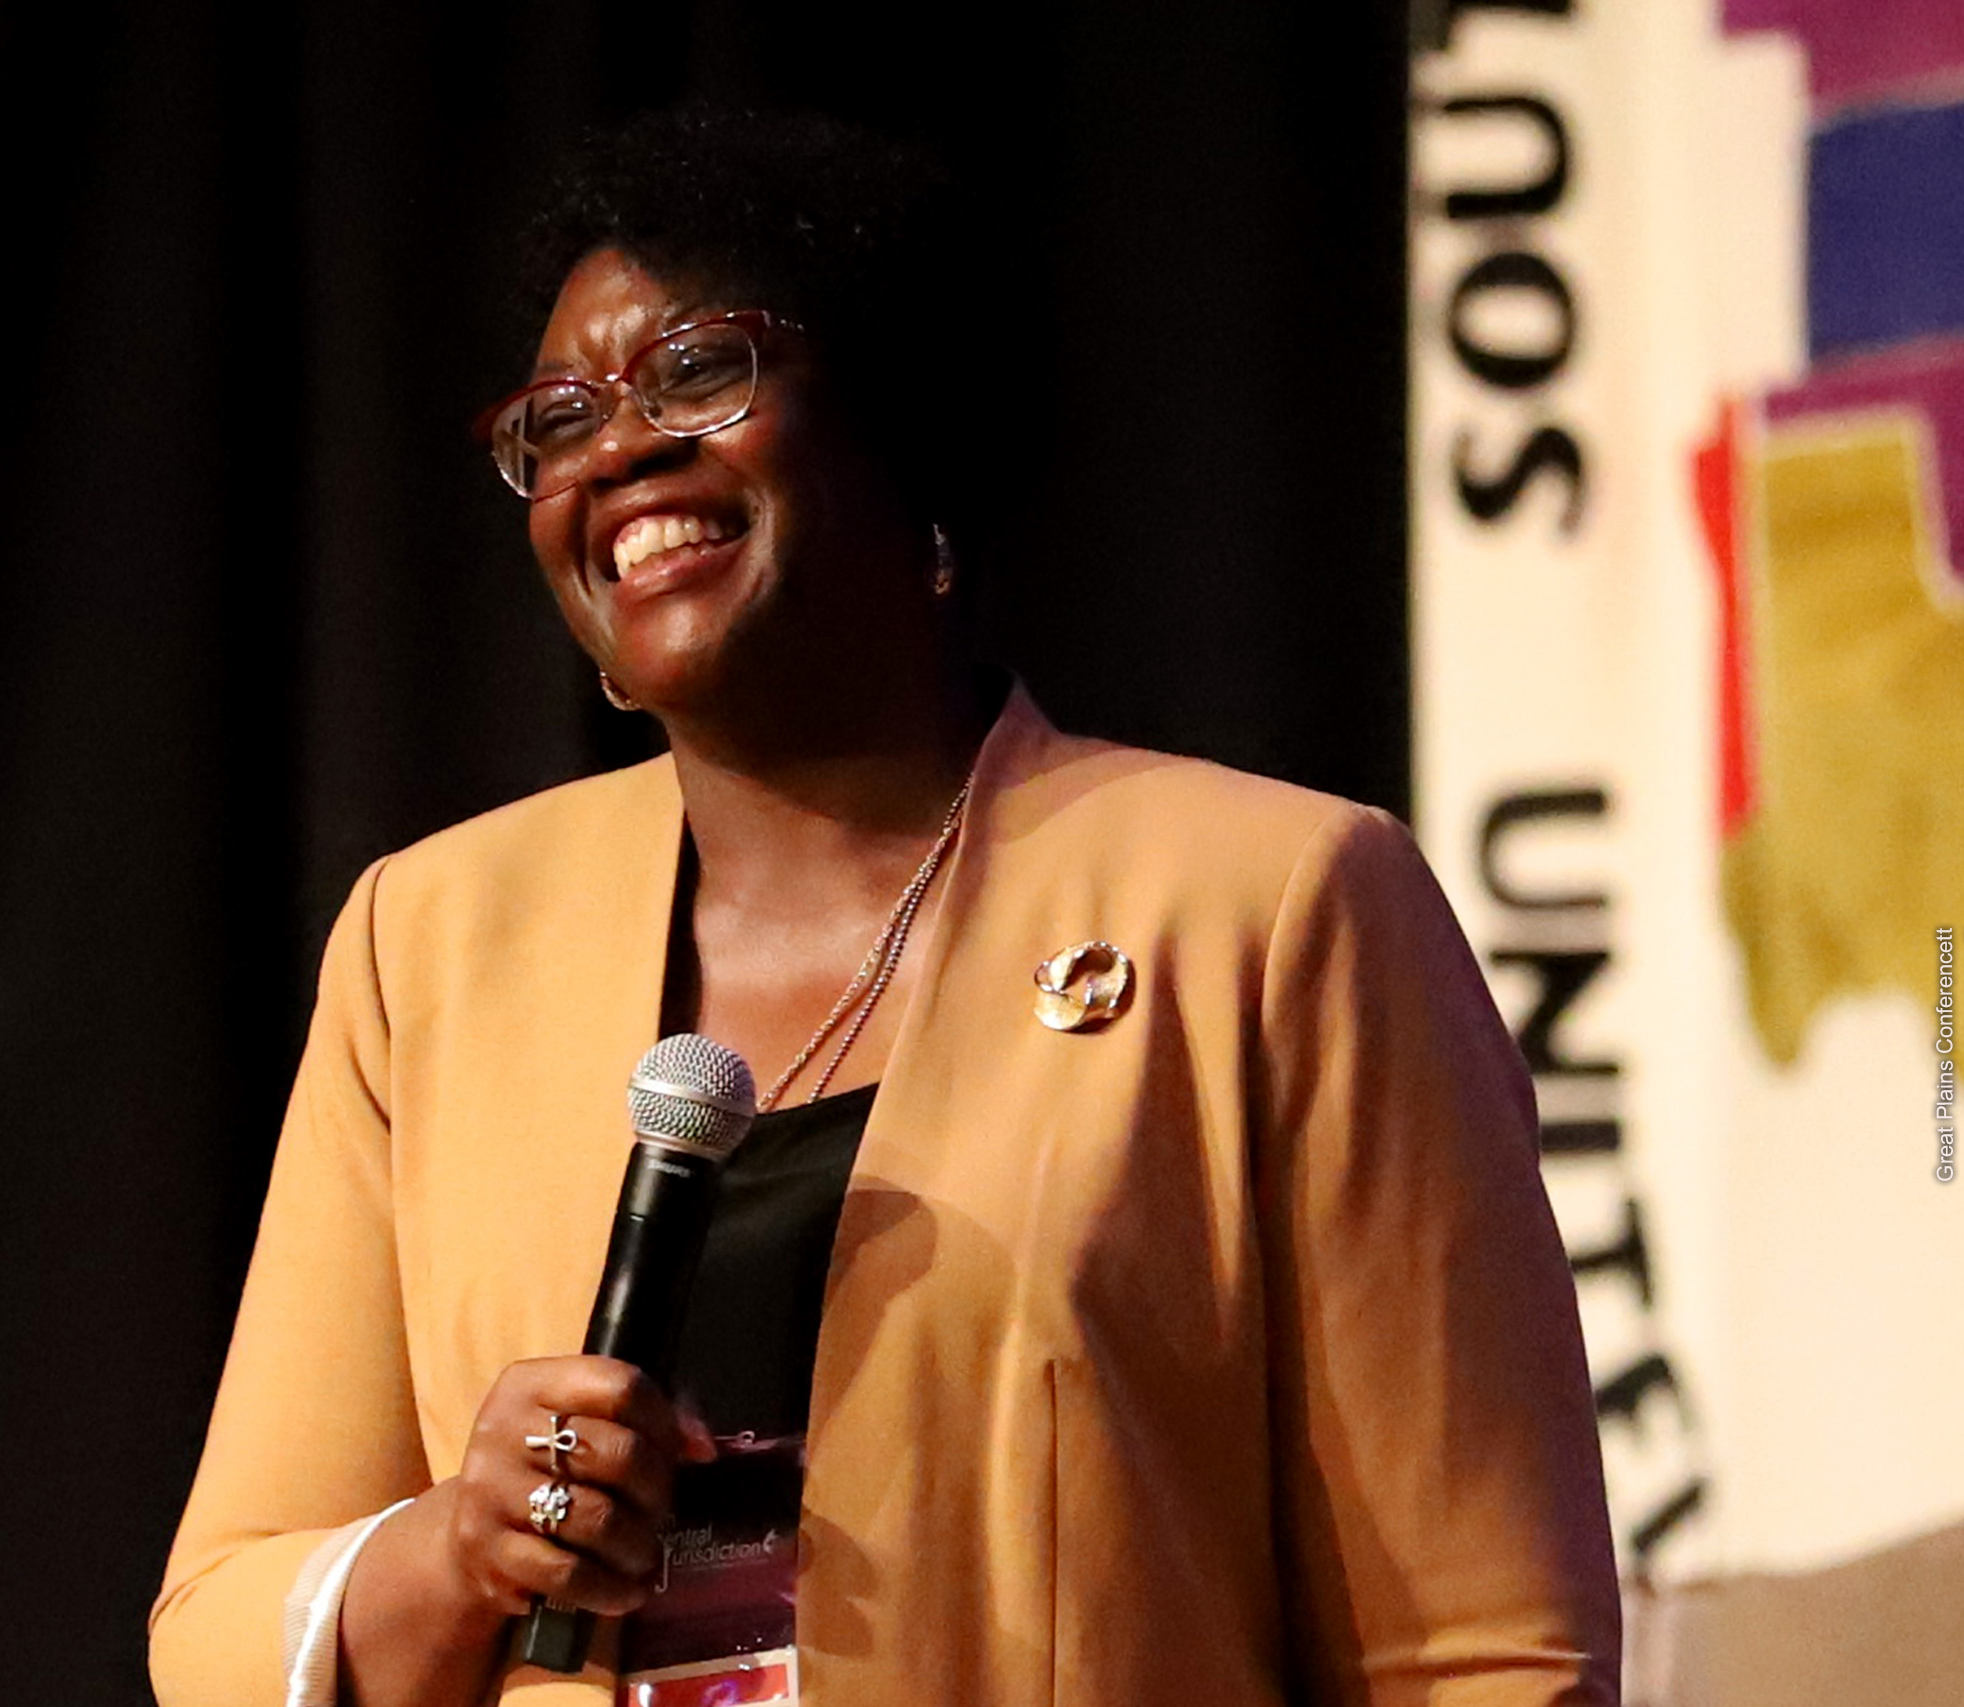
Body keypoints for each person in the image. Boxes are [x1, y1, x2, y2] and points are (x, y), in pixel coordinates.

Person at [148, 109, 1619, 1707]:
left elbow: (1484, 1651)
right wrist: (458, 1548)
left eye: (700, 374)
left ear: (911, 430)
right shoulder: (429, 942)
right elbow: (221, 1621)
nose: (619, 450)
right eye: (559, 421)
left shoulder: (1271, 908)